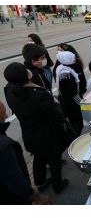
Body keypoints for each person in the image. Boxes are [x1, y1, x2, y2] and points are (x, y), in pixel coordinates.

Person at [4, 63, 69, 195]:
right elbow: (54, 114)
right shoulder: (39, 94)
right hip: (47, 133)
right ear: (26, 76)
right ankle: (58, 185)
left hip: (29, 133)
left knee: (38, 157)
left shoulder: (9, 90)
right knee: (54, 159)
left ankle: (40, 183)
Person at [0, 100, 52, 205]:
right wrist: (37, 198)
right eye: (3, 113)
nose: (6, 116)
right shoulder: (4, 146)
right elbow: (14, 179)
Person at [56, 51, 83, 136]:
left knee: (73, 121)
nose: (74, 60)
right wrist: (81, 102)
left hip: (67, 101)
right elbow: (73, 93)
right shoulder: (66, 76)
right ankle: (76, 137)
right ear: (67, 60)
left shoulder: (61, 68)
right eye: (72, 58)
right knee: (77, 123)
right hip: (71, 103)